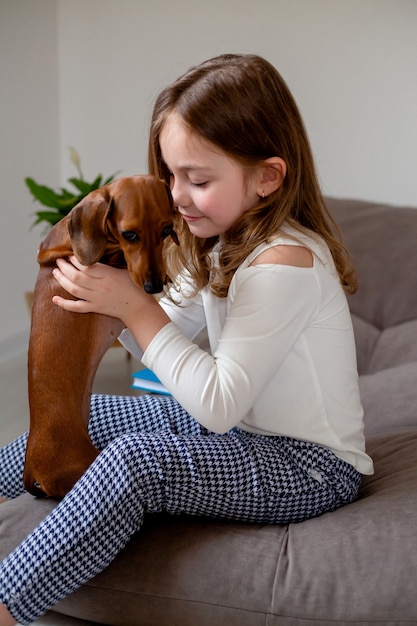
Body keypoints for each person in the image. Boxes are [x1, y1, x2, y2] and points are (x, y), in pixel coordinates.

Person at [0, 53, 373, 625]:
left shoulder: (284, 262)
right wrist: (105, 299)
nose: (176, 195)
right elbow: (156, 334)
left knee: (134, 461)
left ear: (267, 177)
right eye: (170, 175)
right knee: (92, 414)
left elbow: (218, 405)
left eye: (198, 180)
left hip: (309, 467)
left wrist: (135, 310)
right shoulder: (227, 243)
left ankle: (9, 602)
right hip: (246, 436)